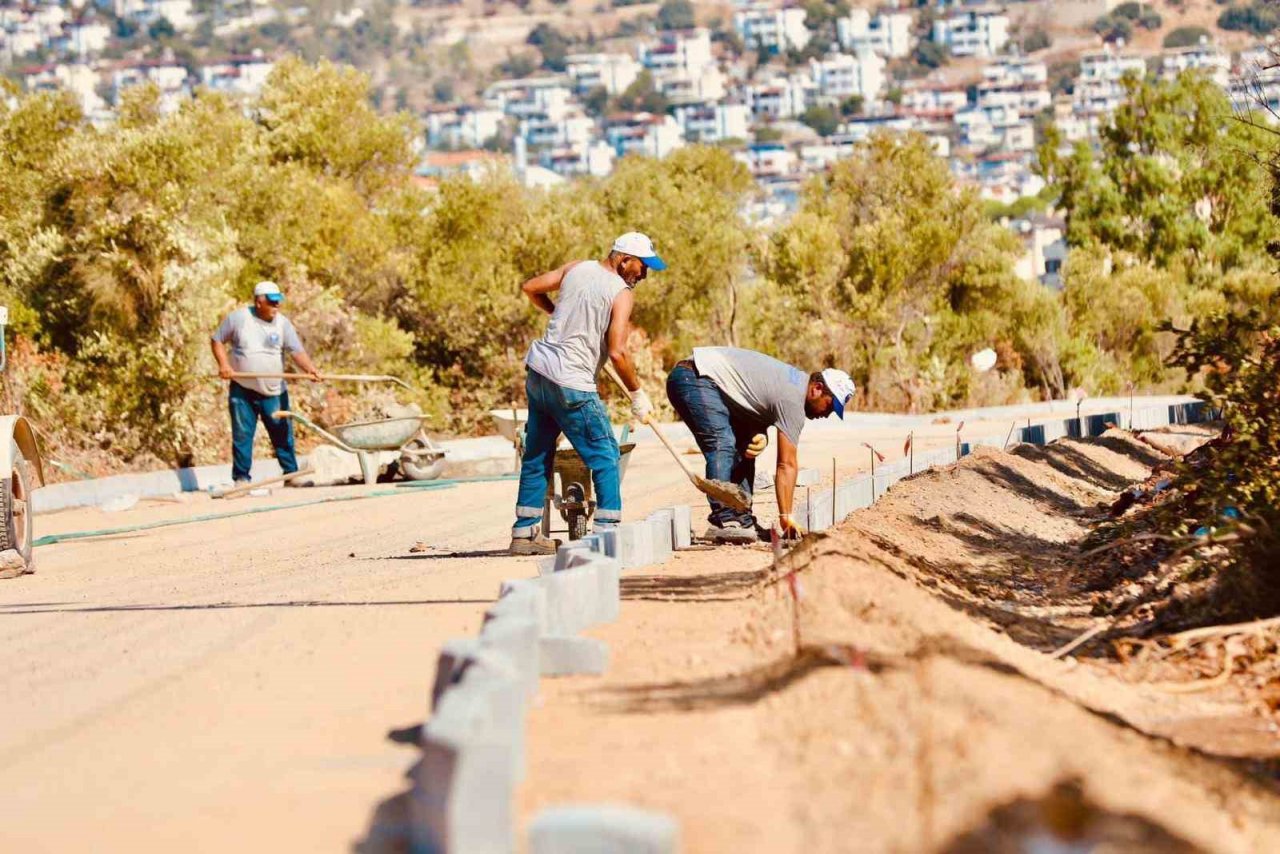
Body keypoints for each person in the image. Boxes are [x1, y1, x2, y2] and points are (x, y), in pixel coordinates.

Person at [509, 232, 665, 555]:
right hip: (571, 382)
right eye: (642, 266)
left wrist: (556, 314)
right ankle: (606, 536)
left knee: (537, 454)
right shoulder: (620, 293)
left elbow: (530, 288)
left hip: (539, 373)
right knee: (606, 454)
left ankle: (524, 535)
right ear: (623, 259)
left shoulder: (576, 268)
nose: (644, 274)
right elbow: (618, 352)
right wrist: (637, 394)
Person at [665, 347, 855, 543]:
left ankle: (742, 519)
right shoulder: (793, 399)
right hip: (694, 377)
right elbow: (786, 464)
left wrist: (760, 434)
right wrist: (786, 517)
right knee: (722, 442)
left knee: (745, 446)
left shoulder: (793, 385)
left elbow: (755, 402)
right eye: (830, 406)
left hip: (707, 381)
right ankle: (723, 520)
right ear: (817, 389)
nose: (827, 414)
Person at [210, 281, 321, 484]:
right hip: (243, 390)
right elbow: (217, 340)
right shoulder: (239, 319)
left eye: (278, 302)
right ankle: (241, 478)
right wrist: (224, 365)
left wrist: (310, 369)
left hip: (274, 390)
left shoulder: (282, 323)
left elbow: (296, 351)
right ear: (259, 302)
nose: (276, 307)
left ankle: (291, 475)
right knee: (242, 435)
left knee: (282, 433)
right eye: (272, 303)